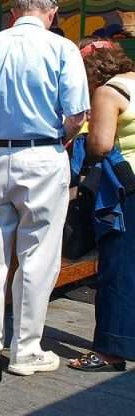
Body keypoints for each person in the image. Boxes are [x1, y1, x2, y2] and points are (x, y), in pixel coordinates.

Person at [0, 0, 89, 376]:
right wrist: (61, 139)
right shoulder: (62, 48)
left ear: (15, 12)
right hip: (41, 154)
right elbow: (76, 114)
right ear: (50, 13)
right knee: (38, 255)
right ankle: (27, 349)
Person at [68, 41, 135, 372]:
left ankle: (109, 350)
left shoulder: (108, 93)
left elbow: (101, 144)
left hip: (125, 189)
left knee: (117, 270)